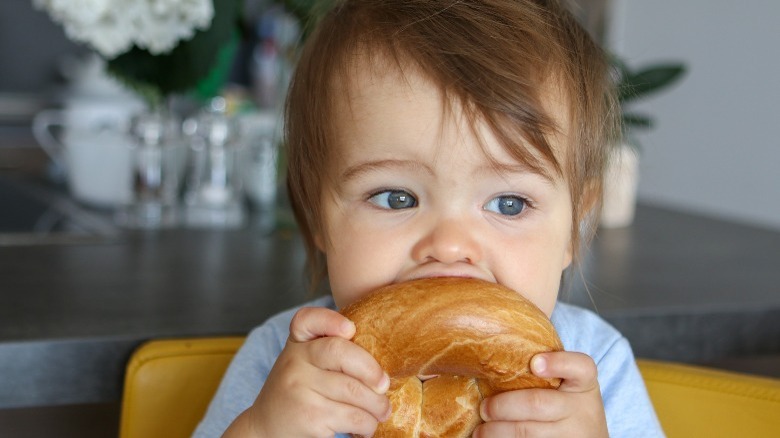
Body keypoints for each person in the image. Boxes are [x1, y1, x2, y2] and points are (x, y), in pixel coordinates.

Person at [194, 0, 663, 436]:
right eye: (396, 198)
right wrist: (262, 428)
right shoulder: (284, 363)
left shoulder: (594, 366)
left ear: (575, 228)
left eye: (509, 204)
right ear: (319, 217)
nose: (450, 244)